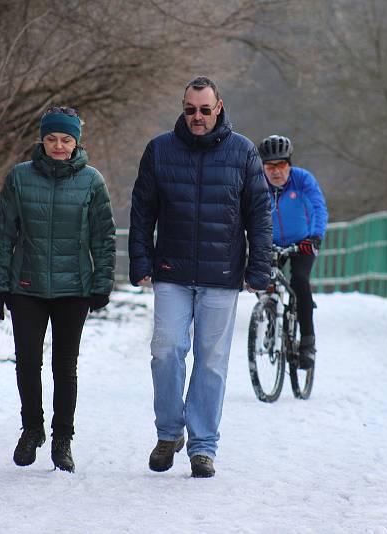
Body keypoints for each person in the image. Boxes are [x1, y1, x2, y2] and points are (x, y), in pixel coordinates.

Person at [129, 76, 272, 478]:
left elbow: (259, 215)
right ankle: (169, 432)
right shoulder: (159, 150)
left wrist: (259, 268)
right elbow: (142, 211)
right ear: (183, 107)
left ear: (219, 107)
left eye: (205, 110)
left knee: (211, 362)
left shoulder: (243, 152)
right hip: (172, 271)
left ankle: (203, 446)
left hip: (222, 275)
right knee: (166, 350)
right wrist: (140, 260)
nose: (197, 116)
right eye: (190, 109)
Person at [0, 106, 116, 473]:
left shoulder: (92, 181)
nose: (58, 146)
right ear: (41, 140)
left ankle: (63, 439)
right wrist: (0, 285)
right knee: (27, 362)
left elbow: (104, 237)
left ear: (76, 142)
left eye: (66, 139)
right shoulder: (19, 178)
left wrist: (101, 283)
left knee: (65, 366)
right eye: (51, 139)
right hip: (26, 285)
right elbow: (2, 234)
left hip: (73, 288)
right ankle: (32, 430)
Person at [258, 134, 328, 370]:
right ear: (263, 167)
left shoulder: (302, 180)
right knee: (261, 277)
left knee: (299, 280)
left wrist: (316, 237)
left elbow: (319, 207)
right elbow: (243, 212)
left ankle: (307, 343)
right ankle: (270, 314)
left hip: (303, 242)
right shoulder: (257, 184)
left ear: (289, 164)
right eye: (270, 166)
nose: (276, 172)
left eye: (281, 165)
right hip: (271, 242)